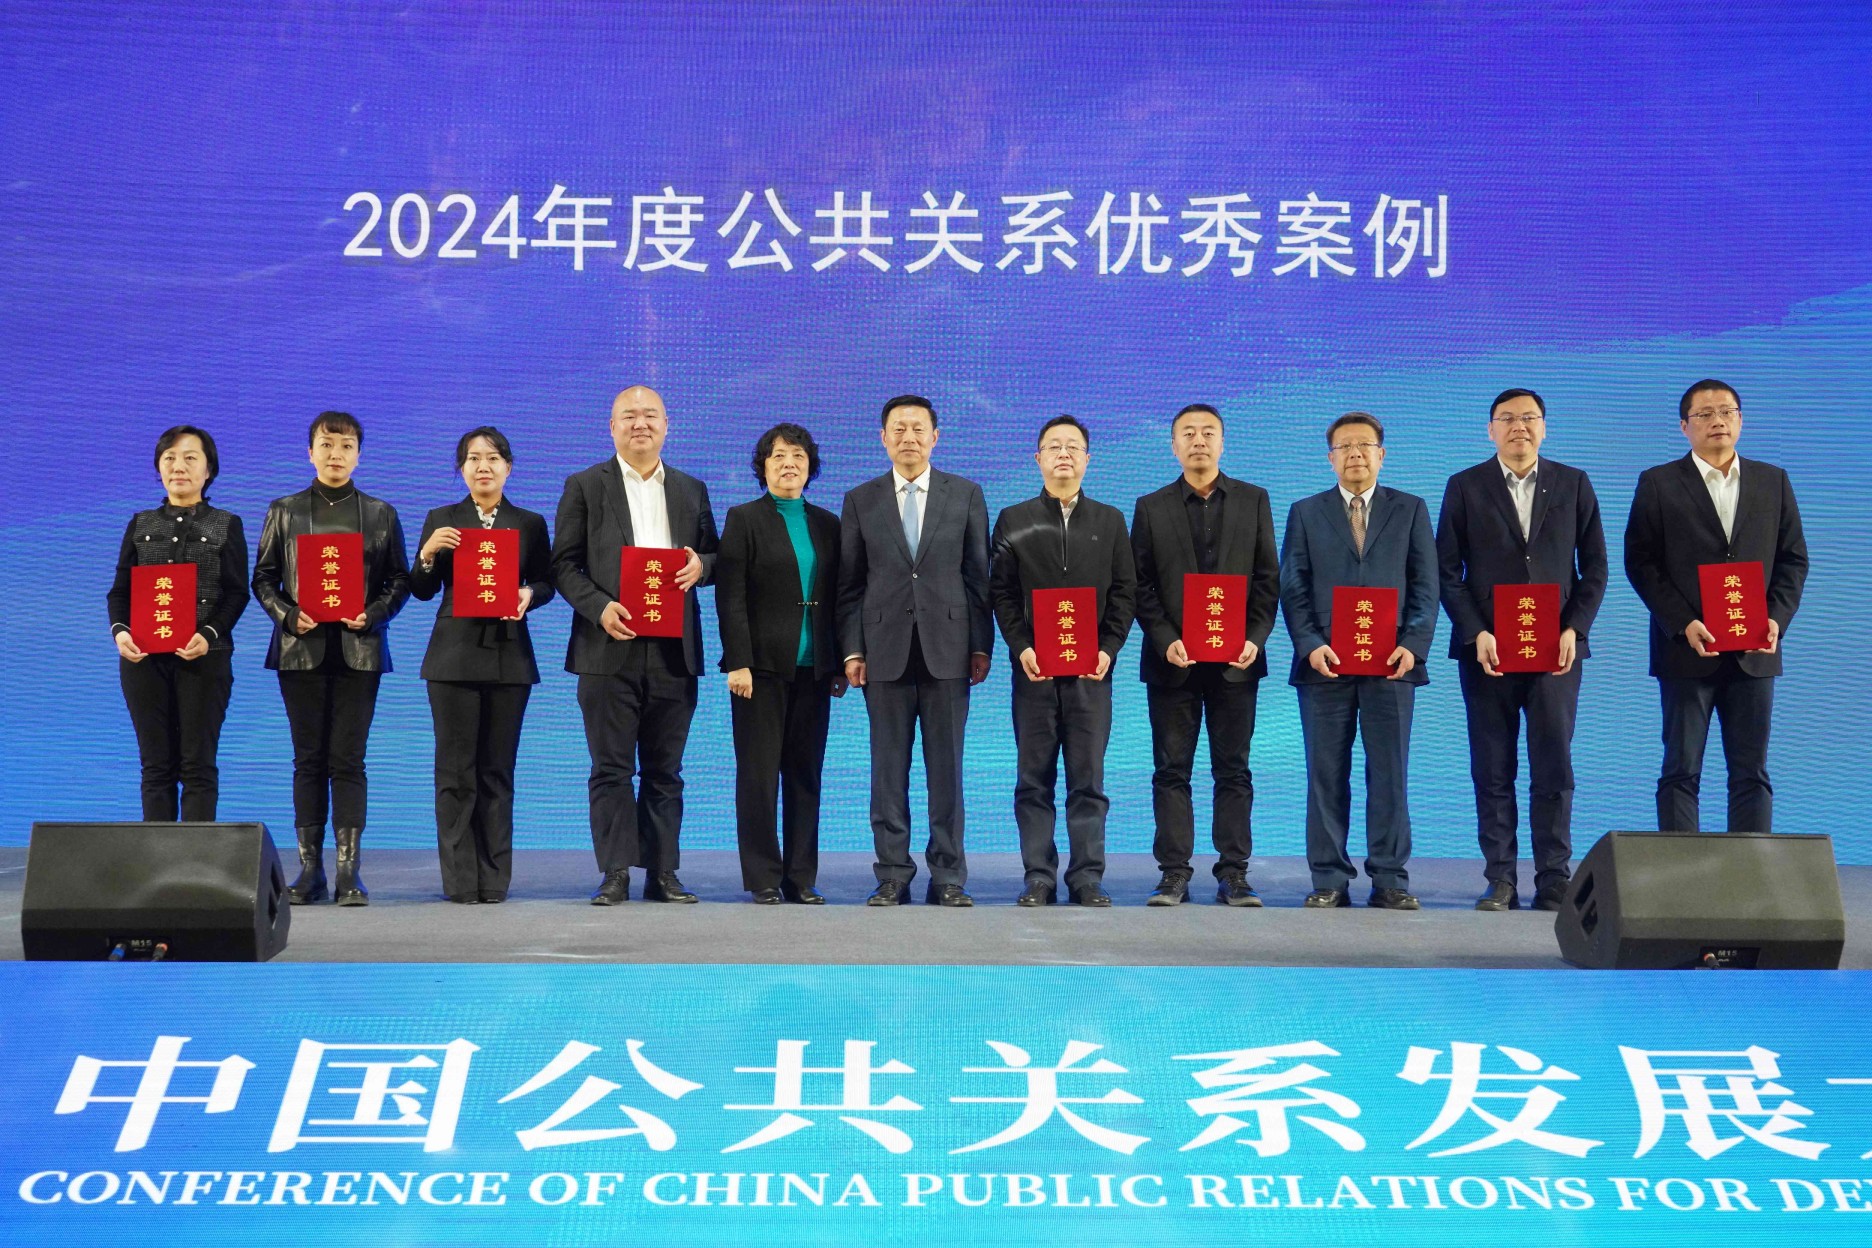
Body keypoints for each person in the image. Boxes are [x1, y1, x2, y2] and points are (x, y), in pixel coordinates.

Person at [1436, 389, 1608, 912]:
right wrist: (1475, 632)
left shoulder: (1573, 483)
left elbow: (1595, 568)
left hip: (1556, 651)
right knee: (1492, 766)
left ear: (1544, 427)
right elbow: (1447, 571)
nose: (1519, 427)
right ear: (1490, 430)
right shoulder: (1465, 486)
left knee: (1554, 763)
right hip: (1488, 650)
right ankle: (1501, 877)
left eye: (1529, 417)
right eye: (1507, 419)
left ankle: (1554, 876)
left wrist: (1574, 629)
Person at [553, 384, 717, 906]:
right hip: (607, 647)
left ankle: (663, 872)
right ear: (612, 427)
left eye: (650, 415)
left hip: (673, 651)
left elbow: (714, 555)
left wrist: (702, 566)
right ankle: (615, 872)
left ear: (667, 426)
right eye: (629, 416)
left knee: (666, 770)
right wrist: (599, 606)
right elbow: (563, 565)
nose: (639, 424)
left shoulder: (691, 489)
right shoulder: (584, 485)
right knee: (611, 768)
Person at [1624, 379, 1808, 833]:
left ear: (1741, 421)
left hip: (1755, 650)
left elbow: (1793, 560)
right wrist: (1682, 622)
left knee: (1751, 772)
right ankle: (1680, 869)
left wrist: (1775, 619)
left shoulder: (1772, 480)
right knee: (1681, 769)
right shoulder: (1658, 483)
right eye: (1704, 414)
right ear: (1684, 426)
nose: (1717, 421)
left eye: (1727, 411)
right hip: (1687, 649)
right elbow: (1641, 563)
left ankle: (1750, 869)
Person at [836, 394, 993, 906]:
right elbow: (850, 585)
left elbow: (978, 578)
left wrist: (981, 645)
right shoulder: (860, 500)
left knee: (947, 773)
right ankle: (892, 874)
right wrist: (852, 650)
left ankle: (948, 876)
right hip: (883, 653)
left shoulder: (965, 494)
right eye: (898, 429)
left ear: (935, 437)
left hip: (949, 650)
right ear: (883, 438)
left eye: (918, 428)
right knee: (888, 771)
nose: (909, 437)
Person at [1279, 412, 1438, 910]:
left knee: (1390, 773)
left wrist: (1413, 644)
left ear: (1381, 455)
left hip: (1392, 663)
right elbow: (1293, 585)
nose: (1355, 454)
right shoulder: (1306, 512)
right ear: (1330, 458)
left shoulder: (1410, 509)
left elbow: (1426, 584)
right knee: (1325, 774)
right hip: (1325, 664)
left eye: (1364, 445)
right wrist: (1310, 643)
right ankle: (1329, 877)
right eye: (1344, 447)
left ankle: (1390, 878)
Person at [252, 411, 410, 906]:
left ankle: (348, 872)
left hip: (359, 651)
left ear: (358, 455)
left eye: (346, 446)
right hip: (299, 651)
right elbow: (264, 578)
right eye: (326, 444)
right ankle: (309, 871)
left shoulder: (380, 513)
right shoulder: (284, 510)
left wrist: (374, 613)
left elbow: (399, 580)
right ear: (310, 453)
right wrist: (287, 614)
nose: (336, 454)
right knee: (307, 759)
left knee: (348, 759)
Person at [1130, 403, 1280, 906]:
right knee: (1171, 769)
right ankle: (1174, 872)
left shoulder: (1254, 500)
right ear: (1174, 445)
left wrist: (1255, 637)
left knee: (1233, 769)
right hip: (1173, 662)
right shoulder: (1150, 506)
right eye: (1188, 433)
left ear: (1222, 442)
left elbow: (1267, 578)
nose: (1199, 440)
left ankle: (1233, 872)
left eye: (1208, 432)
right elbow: (1140, 583)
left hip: (1237, 662)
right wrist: (1163, 637)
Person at [990, 415, 1136, 907]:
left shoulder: (1110, 521)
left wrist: (1108, 648)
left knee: (1087, 780)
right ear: (1038, 459)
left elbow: (1125, 592)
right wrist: (1022, 648)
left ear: (1088, 459)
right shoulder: (1013, 519)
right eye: (1054, 446)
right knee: (1033, 780)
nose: (1064, 454)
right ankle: (1039, 876)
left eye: (1073, 446)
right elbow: (1002, 593)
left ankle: (1086, 876)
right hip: (1034, 672)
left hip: (1092, 673)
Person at [408, 427, 555, 904]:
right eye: (473, 458)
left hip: (509, 657)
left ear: (508, 467)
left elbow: (548, 582)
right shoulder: (442, 519)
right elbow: (421, 590)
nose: (483, 466)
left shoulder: (529, 523)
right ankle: (459, 880)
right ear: (462, 468)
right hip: (452, 658)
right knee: (455, 773)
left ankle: (493, 878)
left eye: (493, 458)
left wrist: (528, 594)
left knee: (497, 771)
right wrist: (428, 553)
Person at [716, 423, 845, 904]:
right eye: (778, 456)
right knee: (758, 775)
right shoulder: (744, 518)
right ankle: (764, 877)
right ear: (763, 466)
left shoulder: (829, 524)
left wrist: (838, 662)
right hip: (760, 669)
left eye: (798, 456)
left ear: (810, 467)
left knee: (805, 774)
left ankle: (801, 877)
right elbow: (730, 597)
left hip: (815, 668)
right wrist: (738, 661)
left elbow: (839, 598)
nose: (789, 464)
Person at [107, 425, 249, 822]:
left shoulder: (226, 524)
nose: (178, 466)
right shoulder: (140, 524)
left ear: (208, 470)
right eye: (169, 458)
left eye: (190, 458)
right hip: (144, 662)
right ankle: (158, 859)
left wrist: (208, 634)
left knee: (198, 766)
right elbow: (119, 592)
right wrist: (120, 632)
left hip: (205, 659)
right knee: (156, 767)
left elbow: (237, 593)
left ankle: (196, 858)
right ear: (159, 467)